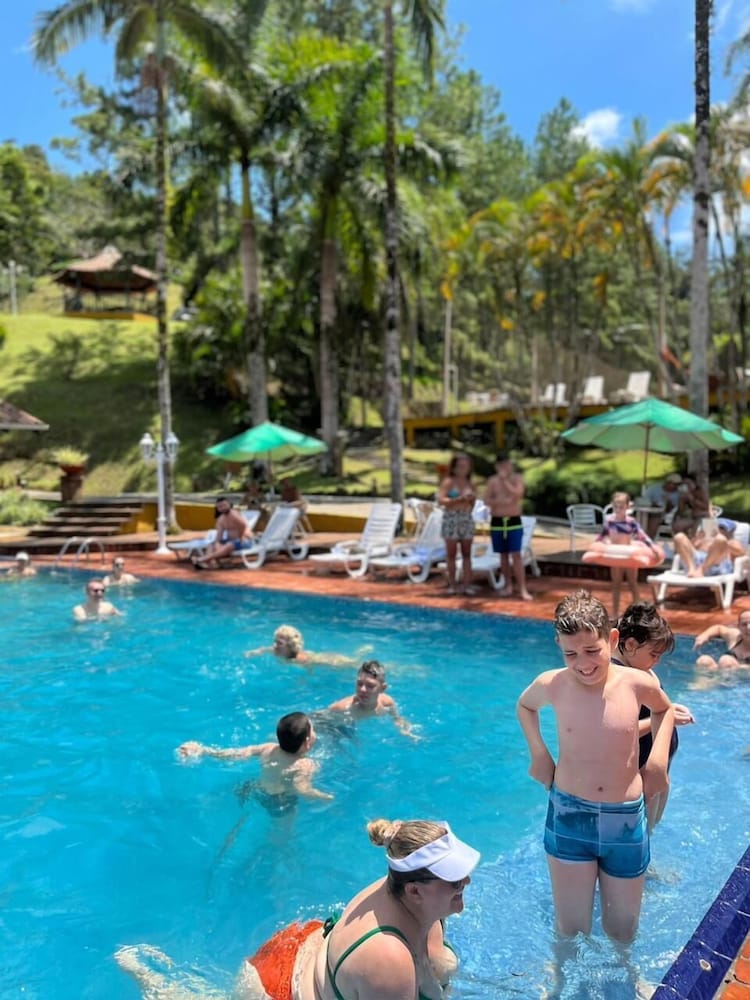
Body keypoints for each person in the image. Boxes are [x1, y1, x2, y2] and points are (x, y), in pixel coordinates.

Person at [115, 818, 479, 1000]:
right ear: (415, 891)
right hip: (276, 989)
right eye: (454, 880)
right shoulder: (390, 959)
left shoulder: (404, 893)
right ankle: (160, 984)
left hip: (299, 946)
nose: (466, 882)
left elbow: (438, 966)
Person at [517, 589, 674, 943]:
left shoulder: (636, 683)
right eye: (570, 653)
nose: (583, 663)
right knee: (571, 931)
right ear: (559, 646)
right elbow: (525, 707)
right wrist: (539, 754)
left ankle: (626, 973)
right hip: (569, 814)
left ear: (612, 639)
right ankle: (560, 974)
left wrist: (657, 761)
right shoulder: (552, 684)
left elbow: (665, 710)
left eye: (592, 651)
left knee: (622, 931)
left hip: (625, 819)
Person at [615, 602, 694, 829]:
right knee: (640, 831)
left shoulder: (639, 667)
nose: (657, 661)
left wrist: (669, 710)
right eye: (654, 654)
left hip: (655, 770)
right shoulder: (617, 679)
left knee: (649, 830)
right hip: (638, 773)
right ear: (630, 644)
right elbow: (615, 732)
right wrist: (664, 719)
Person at [178, 711, 333, 812]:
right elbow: (303, 789)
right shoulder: (304, 764)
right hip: (280, 801)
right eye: (313, 730)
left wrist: (207, 751)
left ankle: (201, 749)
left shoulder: (269, 748)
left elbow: (239, 754)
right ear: (307, 742)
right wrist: (325, 797)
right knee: (283, 835)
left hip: (256, 788)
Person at [587, 492, 662, 618]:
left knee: (632, 583)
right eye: (616, 506)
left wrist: (652, 548)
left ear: (627, 506)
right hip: (616, 555)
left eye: (621, 507)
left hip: (628, 555)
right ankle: (615, 613)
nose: (618, 509)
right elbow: (601, 536)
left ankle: (639, 613)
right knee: (616, 584)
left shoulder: (630, 522)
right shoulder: (610, 521)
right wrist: (594, 547)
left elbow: (642, 536)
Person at [326, 659, 416, 738]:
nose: (362, 689)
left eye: (370, 686)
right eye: (359, 684)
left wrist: (406, 731)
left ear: (382, 688)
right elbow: (322, 719)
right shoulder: (343, 708)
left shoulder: (387, 703)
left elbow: (397, 718)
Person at [484, 452, 531, 601]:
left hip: (513, 520)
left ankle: (522, 588)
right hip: (497, 521)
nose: (506, 467)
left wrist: (505, 482)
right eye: (502, 465)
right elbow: (486, 500)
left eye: (508, 464)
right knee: (503, 555)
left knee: (516, 554)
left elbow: (518, 495)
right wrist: (501, 501)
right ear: (497, 466)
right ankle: (507, 585)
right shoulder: (492, 481)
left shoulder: (517, 478)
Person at [437, 452, 477, 596]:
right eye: (460, 466)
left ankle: (467, 584)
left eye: (465, 466)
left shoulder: (471, 483)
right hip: (451, 518)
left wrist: (471, 501)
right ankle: (452, 584)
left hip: (466, 518)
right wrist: (458, 500)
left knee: (467, 553)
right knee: (451, 554)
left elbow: (474, 503)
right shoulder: (449, 482)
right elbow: (441, 500)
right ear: (454, 467)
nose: (462, 469)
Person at [245, 624, 363, 668]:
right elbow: (267, 649)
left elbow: (309, 668)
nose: (274, 645)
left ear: (290, 646)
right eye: (274, 641)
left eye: (279, 643)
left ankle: (361, 653)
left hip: (321, 659)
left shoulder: (299, 660)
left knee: (351, 663)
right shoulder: (280, 651)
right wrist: (255, 652)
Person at [193, 496, 254, 569]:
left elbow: (243, 525)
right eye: (220, 507)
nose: (223, 508)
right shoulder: (220, 520)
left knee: (229, 545)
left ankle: (202, 559)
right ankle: (209, 563)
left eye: (224, 505)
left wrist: (240, 537)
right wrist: (217, 543)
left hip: (245, 540)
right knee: (212, 544)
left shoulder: (234, 513)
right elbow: (219, 535)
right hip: (231, 541)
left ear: (229, 505)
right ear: (217, 509)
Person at [672, 517, 743, 579]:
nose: (718, 529)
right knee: (679, 537)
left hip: (716, 565)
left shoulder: (731, 541)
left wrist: (724, 543)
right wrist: (699, 540)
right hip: (696, 562)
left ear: (728, 532)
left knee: (720, 539)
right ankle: (691, 568)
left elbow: (740, 553)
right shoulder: (704, 538)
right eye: (716, 526)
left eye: (722, 528)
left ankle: (702, 570)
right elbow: (689, 549)